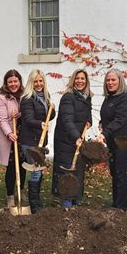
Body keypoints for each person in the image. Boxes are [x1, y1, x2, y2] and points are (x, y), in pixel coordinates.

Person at [97, 69, 127, 212]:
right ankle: (115, 204)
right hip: (113, 140)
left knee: (121, 173)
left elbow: (120, 120)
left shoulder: (125, 97)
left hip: (125, 140)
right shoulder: (109, 98)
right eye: (108, 80)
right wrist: (102, 123)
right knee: (114, 172)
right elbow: (108, 116)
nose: (110, 83)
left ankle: (121, 208)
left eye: (113, 80)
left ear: (120, 81)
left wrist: (105, 132)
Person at [51, 69, 92, 208]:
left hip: (78, 140)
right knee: (66, 171)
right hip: (66, 140)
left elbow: (88, 113)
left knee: (78, 169)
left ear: (86, 81)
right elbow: (67, 120)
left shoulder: (86, 97)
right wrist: (76, 136)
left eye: (82, 78)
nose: (80, 81)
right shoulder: (68, 97)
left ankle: (76, 201)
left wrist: (89, 121)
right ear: (73, 80)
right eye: (77, 78)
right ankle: (66, 203)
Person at [20, 69, 55, 213]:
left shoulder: (45, 96)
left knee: (39, 171)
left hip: (40, 140)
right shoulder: (27, 98)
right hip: (30, 141)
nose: (39, 84)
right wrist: (40, 123)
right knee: (35, 171)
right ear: (31, 83)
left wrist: (52, 110)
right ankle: (34, 205)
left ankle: (37, 201)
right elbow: (28, 119)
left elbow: (48, 115)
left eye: (41, 81)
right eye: (36, 81)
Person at [0, 69, 26, 208]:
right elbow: (1, 119)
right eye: (10, 82)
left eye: (15, 81)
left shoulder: (25, 95)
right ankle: (10, 195)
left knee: (23, 164)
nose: (13, 84)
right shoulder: (2, 98)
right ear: (6, 84)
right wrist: (9, 133)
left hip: (23, 134)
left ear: (19, 81)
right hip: (10, 136)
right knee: (12, 167)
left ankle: (21, 190)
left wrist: (19, 114)